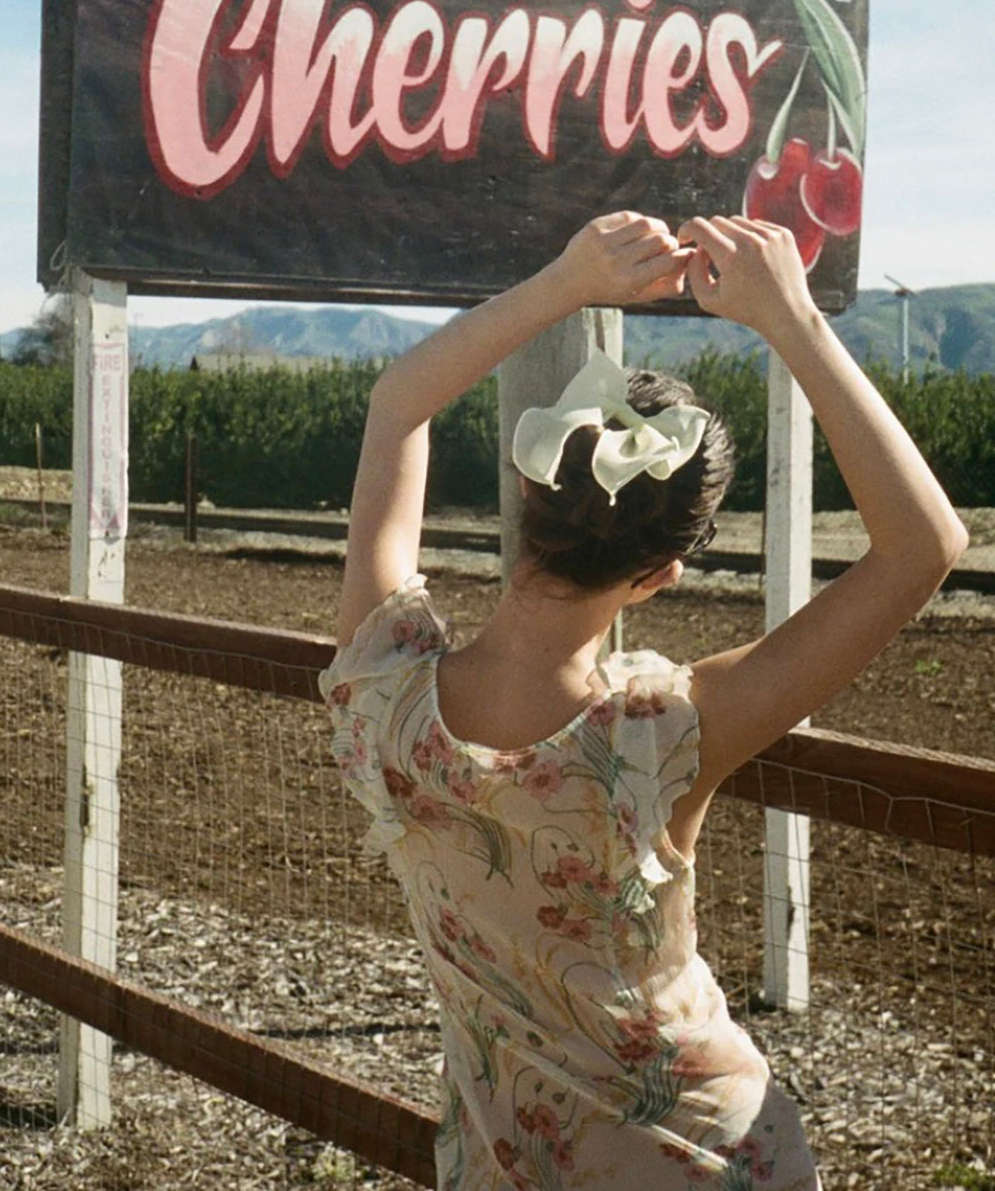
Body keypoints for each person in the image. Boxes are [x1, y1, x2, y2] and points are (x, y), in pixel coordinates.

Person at [321, 212, 967, 1190]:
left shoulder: (384, 688)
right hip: (711, 1154)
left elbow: (396, 404)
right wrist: (788, 319)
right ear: (662, 572)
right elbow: (925, 545)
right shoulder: (662, 733)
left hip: (506, 1163)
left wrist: (565, 284)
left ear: (527, 498)